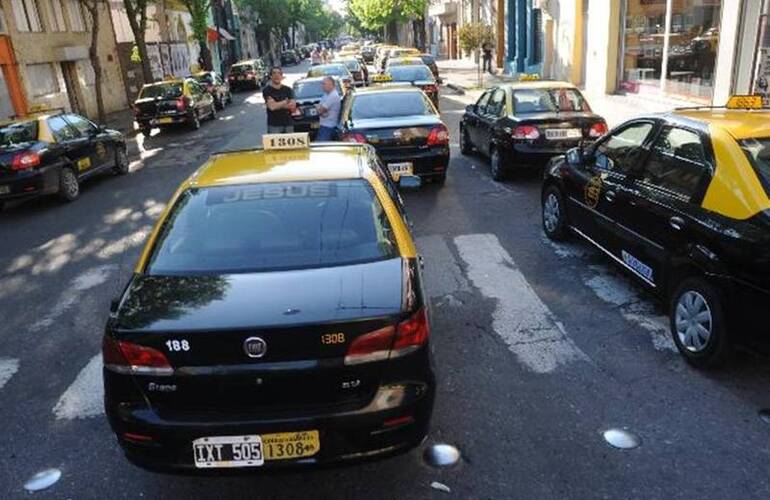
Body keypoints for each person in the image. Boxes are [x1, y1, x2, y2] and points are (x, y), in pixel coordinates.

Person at [262, 67, 296, 134]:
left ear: (282, 76)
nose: (276, 76)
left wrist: (276, 104)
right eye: (274, 73)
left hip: (288, 123)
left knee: (290, 145)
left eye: (279, 73)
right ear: (270, 76)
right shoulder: (267, 90)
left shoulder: (288, 89)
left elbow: (292, 106)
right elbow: (272, 107)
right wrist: (285, 101)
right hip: (274, 125)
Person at [314, 76, 341, 142]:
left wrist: (319, 109)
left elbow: (320, 110)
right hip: (324, 125)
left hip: (328, 127)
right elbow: (319, 108)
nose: (322, 86)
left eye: (324, 84)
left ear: (331, 85)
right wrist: (319, 109)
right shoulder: (326, 95)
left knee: (321, 147)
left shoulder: (333, 96)